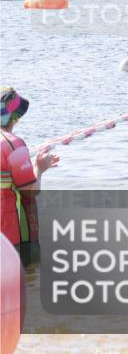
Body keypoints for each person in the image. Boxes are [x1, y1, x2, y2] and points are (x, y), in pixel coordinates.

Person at [1, 88, 60, 266]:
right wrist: (39, 168)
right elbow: (30, 191)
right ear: (14, 117)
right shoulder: (13, 144)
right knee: (25, 278)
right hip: (11, 236)